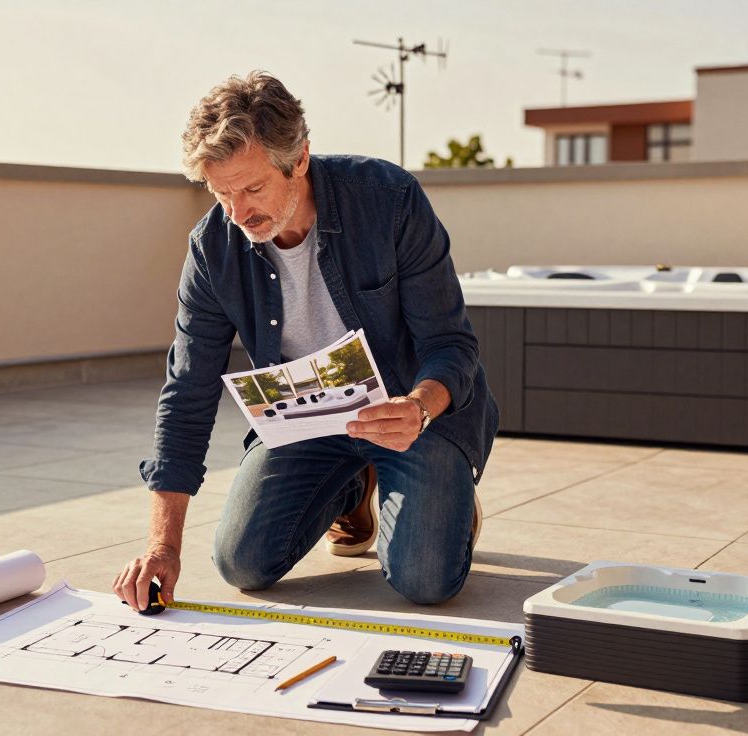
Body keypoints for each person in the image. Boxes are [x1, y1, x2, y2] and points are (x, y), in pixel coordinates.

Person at [114, 71, 498, 612]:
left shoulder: (389, 201)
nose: (237, 213)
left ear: (299, 160)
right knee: (241, 565)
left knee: (425, 581)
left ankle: (450, 496)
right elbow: (187, 394)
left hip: (408, 417)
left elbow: (451, 345)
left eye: (251, 188)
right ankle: (352, 490)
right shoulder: (212, 250)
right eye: (220, 193)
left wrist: (418, 408)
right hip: (305, 423)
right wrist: (162, 545)